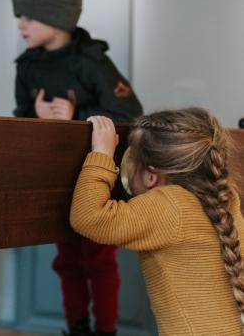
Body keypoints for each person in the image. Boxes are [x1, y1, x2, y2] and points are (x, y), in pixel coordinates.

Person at [11, 0, 143, 336]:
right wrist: (35, 116)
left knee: (99, 260)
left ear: (56, 17)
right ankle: (76, 327)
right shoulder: (27, 66)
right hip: (55, 179)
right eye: (19, 16)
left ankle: (105, 330)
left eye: (29, 16)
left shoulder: (92, 61)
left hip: (97, 177)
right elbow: (18, 116)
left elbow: (129, 113)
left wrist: (75, 116)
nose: (21, 24)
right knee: (66, 260)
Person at [70, 108, 244, 336]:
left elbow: (88, 217)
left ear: (151, 177)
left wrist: (102, 153)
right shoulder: (226, 195)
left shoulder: (169, 205)